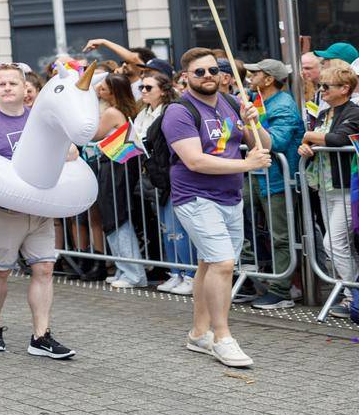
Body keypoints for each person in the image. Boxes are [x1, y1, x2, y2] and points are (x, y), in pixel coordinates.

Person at [162, 49, 268, 368]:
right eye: (199, 72)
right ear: (185, 77)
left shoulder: (231, 102)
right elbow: (194, 160)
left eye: (213, 70)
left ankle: (198, 333)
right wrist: (246, 163)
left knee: (211, 263)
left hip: (230, 195)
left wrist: (254, 122)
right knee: (223, 263)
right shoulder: (178, 111)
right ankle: (222, 338)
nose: (208, 76)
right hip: (195, 195)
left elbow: (265, 144)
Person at [0, 63, 74, 359]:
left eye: (13, 83)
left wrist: (68, 152)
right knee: (0, 271)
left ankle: (41, 336)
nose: (7, 88)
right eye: (1, 83)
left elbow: (69, 150)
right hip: (4, 212)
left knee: (44, 268)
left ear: (24, 87)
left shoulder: (40, 120)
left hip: (40, 209)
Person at [299, 59, 359, 308]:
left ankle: (351, 295)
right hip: (324, 186)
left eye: (326, 86)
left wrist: (310, 136)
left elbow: (340, 138)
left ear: (344, 88)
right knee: (339, 243)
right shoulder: (324, 113)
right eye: (320, 86)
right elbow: (315, 141)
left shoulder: (354, 112)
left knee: (333, 243)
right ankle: (350, 295)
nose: (321, 90)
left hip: (346, 186)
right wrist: (306, 146)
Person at [244, 59, 302, 309]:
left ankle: (281, 291)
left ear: (268, 79)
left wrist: (253, 122)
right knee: (239, 220)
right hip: (258, 175)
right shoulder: (258, 100)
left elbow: (273, 143)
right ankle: (254, 274)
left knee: (281, 235)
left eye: (255, 72)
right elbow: (251, 139)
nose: (249, 75)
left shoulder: (283, 105)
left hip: (278, 179)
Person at [133, 71, 193, 296]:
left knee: (178, 229)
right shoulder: (143, 112)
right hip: (154, 175)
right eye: (142, 87)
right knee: (167, 229)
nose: (144, 91)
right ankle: (175, 272)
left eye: (149, 87)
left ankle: (190, 274)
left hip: (170, 175)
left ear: (164, 90)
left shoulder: (170, 111)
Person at [91, 71, 146, 289]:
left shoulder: (112, 112)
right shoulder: (126, 108)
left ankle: (132, 273)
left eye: (103, 87)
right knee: (116, 216)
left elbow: (93, 134)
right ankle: (126, 269)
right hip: (120, 164)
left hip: (115, 165)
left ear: (113, 92)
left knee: (115, 217)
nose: (98, 90)